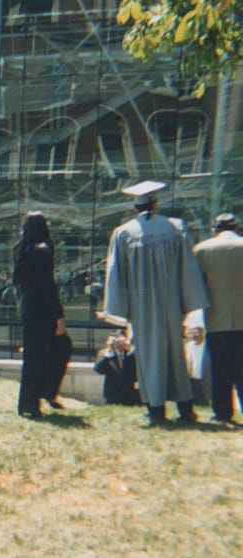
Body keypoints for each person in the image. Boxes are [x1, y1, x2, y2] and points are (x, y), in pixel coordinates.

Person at [104, 181, 210, 426]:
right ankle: (185, 410)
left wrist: (120, 308)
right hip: (171, 303)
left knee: (149, 356)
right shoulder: (175, 228)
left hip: (142, 306)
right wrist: (189, 300)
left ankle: (156, 411)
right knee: (176, 354)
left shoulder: (123, 233)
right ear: (155, 203)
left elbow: (115, 274)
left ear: (134, 207)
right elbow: (188, 269)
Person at [12, 212, 68, 418]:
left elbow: (16, 279)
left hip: (28, 307)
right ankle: (44, 392)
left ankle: (27, 403)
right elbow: (47, 285)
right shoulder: (43, 250)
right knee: (62, 347)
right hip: (43, 308)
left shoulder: (20, 249)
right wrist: (58, 314)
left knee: (32, 357)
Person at [193, 212, 243, 424]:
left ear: (215, 229)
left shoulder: (202, 250)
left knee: (220, 368)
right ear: (237, 227)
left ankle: (222, 412)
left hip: (216, 317)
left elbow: (196, 285)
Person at [93, 330, 140, 406]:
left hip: (131, 394)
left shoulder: (131, 354)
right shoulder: (106, 353)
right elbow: (99, 369)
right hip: (112, 394)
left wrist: (130, 349)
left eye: (120, 341)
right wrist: (110, 351)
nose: (118, 344)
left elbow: (138, 369)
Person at [183, 310, 209, 407]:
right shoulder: (188, 346)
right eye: (193, 332)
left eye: (197, 332)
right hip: (192, 378)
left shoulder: (207, 347)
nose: (195, 334)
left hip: (204, 378)